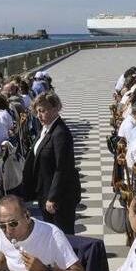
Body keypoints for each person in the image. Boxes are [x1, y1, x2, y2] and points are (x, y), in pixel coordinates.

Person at [0, 195, 87, 271]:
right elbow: (6, 252)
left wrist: (44, 270)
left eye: (13, 224)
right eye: (2, 226)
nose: (8, 231)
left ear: (27, 217)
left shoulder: (52, 235)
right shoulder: (3, 230)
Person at [30, 92, 80, 234]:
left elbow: (62, 168)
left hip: (60, 197)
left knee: (63, 235)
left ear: (55, 108)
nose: (39, 115)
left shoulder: (60, 133)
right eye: (37, 111)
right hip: (45, 190)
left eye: (43, 111)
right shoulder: (45, 128)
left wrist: (52, 198)